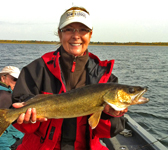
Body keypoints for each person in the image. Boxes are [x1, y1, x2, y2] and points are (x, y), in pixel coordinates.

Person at [12, 6, 128, 150]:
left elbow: (109, 132)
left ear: (90, 35)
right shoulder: (35, 70)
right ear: (60, 35)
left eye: (83, 30)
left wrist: (111, 115)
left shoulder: (106, 78)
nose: (76, 35)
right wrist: (26, 120)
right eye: (68, 29)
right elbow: (21, 124)